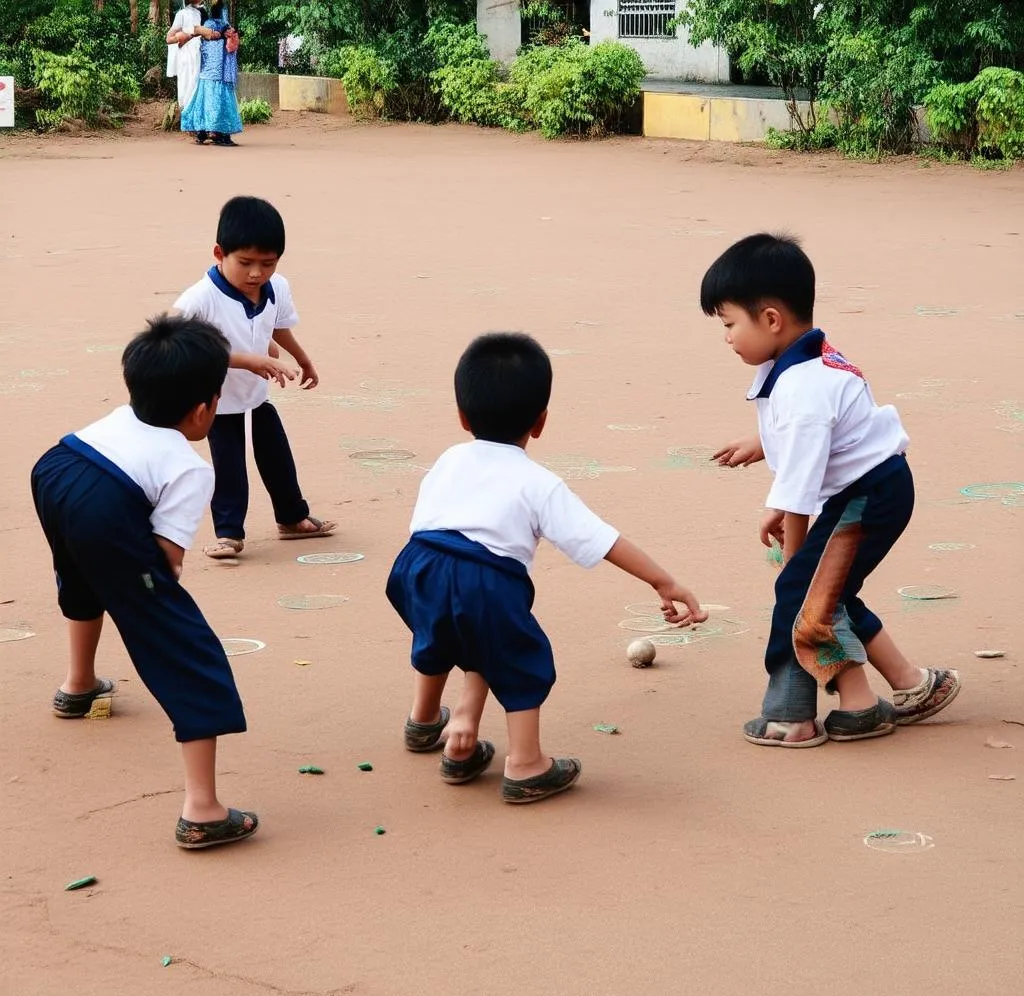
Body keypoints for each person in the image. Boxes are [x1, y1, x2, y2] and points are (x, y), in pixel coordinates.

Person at [386, 333, 708, 803]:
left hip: (416, 567)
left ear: (462, 416)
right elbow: (602, 539)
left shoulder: (449, 458)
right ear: (540, 423)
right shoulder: (539, 483)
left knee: (441, 635)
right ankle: (525, 764)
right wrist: (664, 580)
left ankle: (425, 720)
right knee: (519, 661)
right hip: (486, 580)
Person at [702, 233, 960, 748]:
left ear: (771, 319)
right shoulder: (807, 358)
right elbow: (820, 431)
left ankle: (811, 713)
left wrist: (795, 557)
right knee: (832, 593)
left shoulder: (802, 388)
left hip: (869, 496)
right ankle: (911, 685)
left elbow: (798, 487)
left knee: (804, 596)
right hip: (872, 487)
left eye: (730, 324)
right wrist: (763, 442)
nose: (727, 337)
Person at [30, 316, 259, 849]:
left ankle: (79, 685)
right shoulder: (189, 467)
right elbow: (165, 562)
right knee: (184, 646)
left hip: (60, 464)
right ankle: (202, 810)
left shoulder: (119, 417)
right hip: (103, 503)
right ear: (204, 409)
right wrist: (149, 591)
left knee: (83, 573)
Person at [172, 196, 336, 558]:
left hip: (257, 394)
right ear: (219, 253)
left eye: (268, 263)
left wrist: (303, 359)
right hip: (217, 401)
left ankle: (292, 517)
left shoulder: (277, 287)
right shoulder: (200, 299)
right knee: (229, 463)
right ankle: (229, 533)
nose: (256, 274)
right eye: (245, 263)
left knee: (277, 454)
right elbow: (177, 345)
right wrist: (248, 360)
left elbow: (277, 325)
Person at [180, 2, 243, 147]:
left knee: (204, 101)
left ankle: (202, 133)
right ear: (222, 12)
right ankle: (220, 134)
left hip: (208, 70)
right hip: (220, 72)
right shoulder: (224, 25)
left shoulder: (207, 24)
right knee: (221, 103)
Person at [166, 1, 213, 140]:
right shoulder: (181, 14)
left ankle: (201, 128)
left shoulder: (201, 13)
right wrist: (182, 37)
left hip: (200, 54)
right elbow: (168, 38)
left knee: (198, 89)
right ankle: (191, 126)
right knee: (187, 89)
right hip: (186, 57)